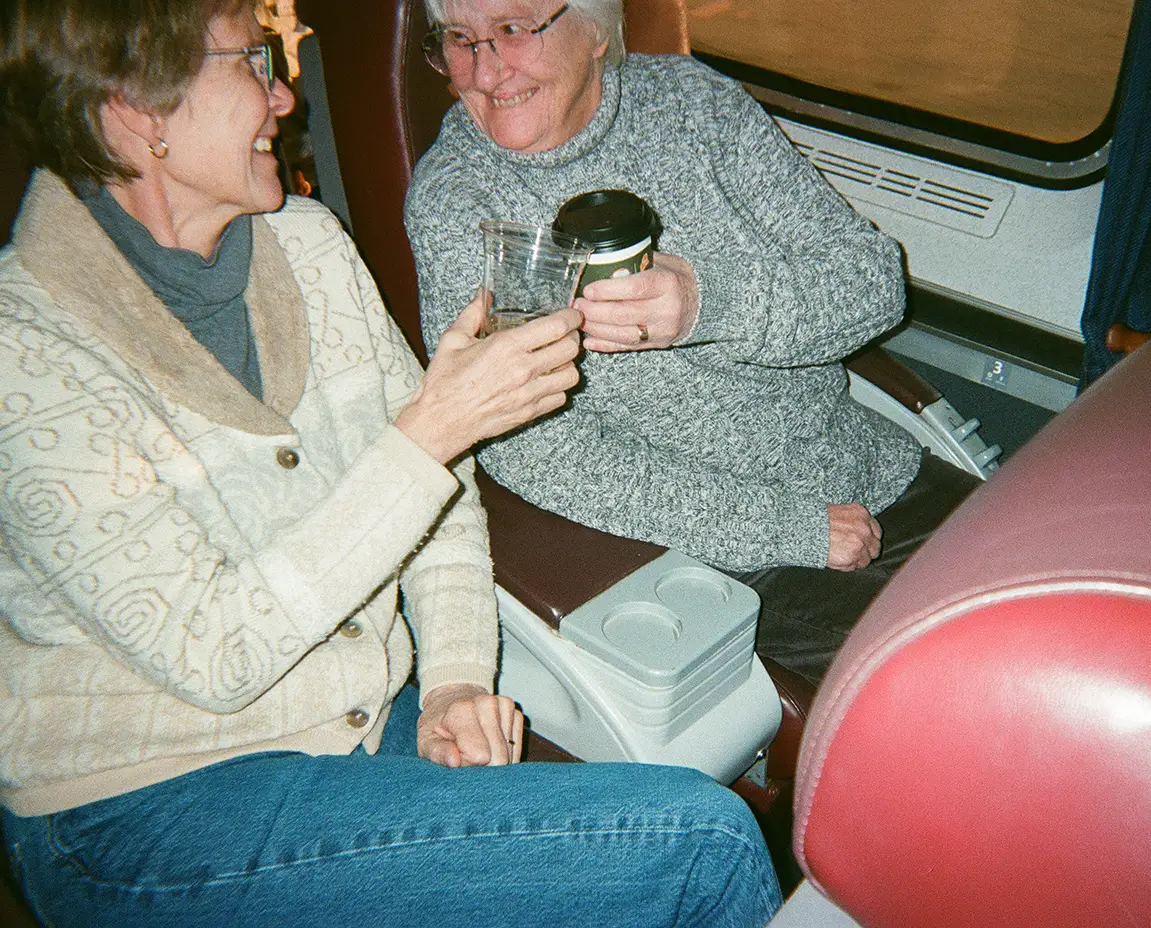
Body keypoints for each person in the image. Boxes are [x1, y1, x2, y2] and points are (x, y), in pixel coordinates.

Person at [0, 1, 781, 925]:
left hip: (364, 720)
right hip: (153, 801)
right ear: (137, 107)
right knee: (701, 843)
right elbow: (212, 653)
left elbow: (441, 506)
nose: (284, 93)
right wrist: (429, 432)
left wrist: (453, 676)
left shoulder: (309, 247)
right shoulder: (26, 348)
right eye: (252, 60)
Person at [405, 0, 982, 685]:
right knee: (968, 677)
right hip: (726, 550)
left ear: (594, 30)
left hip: (865, 460)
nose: (487, 70)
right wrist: (786, 527)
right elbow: (534, 451)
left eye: (512, 29)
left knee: (1061, 584)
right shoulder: (461, 204)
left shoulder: (692, 105)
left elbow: (870, 282)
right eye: (460, 41)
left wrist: (712, 303)